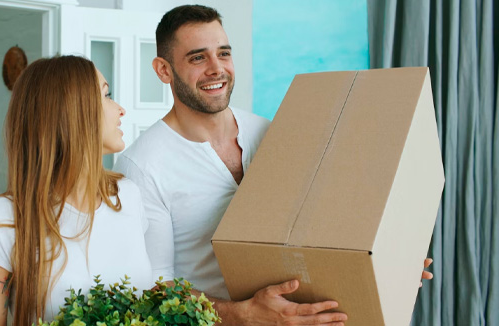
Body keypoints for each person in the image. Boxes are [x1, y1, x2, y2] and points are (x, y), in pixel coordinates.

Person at [114, 5, 432, 326]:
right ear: (163, 70)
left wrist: (385, 260)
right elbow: (154, 287)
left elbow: (322, 224)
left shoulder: (272, 133)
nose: (216, 68)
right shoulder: (142, 165)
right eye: (198, 58)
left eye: (223, 53)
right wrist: (241, 314)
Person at [0, 55, 153, 326]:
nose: (120, 109)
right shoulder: (0, 221)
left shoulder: (127, 196)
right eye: (107, 96)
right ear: (70, 111)